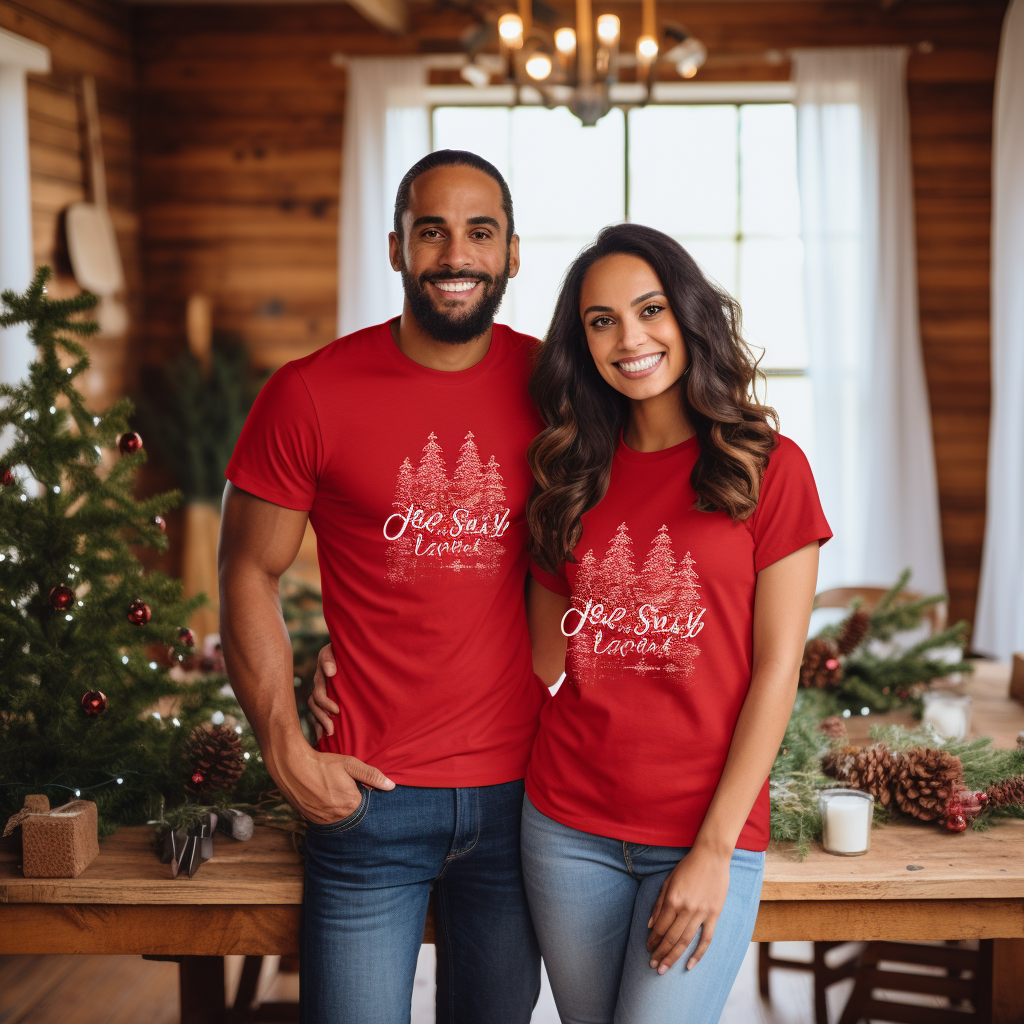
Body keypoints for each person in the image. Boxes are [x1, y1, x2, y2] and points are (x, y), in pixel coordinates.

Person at [218, 150, 544, 1024]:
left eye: (480, 232)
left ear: (514, 252)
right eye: (430, 230)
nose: (455, 254)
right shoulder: (309, 394)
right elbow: (246, 569)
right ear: (395, 248)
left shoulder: (560, 388)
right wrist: (286, 749)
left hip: (524, 805)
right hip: (367, 804)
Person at [521, 223, 831, 1024]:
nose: (630, 339)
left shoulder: (769, 467)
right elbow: (535, 656)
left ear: (687, 317)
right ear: (581, 342)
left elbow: (777, 672)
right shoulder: (570, 474)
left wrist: (714, 849)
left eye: (649, 309)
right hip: (565, 825)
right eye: (601, 321)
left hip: (703, 827)